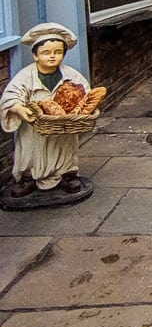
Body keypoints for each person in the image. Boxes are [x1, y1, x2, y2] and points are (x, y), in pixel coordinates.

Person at [0, 23, 92, 200]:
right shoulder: (25, 76)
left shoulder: (71, 76)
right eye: (46, 53)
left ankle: (66, 175)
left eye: (57, 52)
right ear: (35, 55)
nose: (52, 57)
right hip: (34, 128)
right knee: (31, 150)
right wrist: (19, 108)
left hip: (63, 127)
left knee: (64, 149)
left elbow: (86, 94)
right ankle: (28, 177)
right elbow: (11, 95)